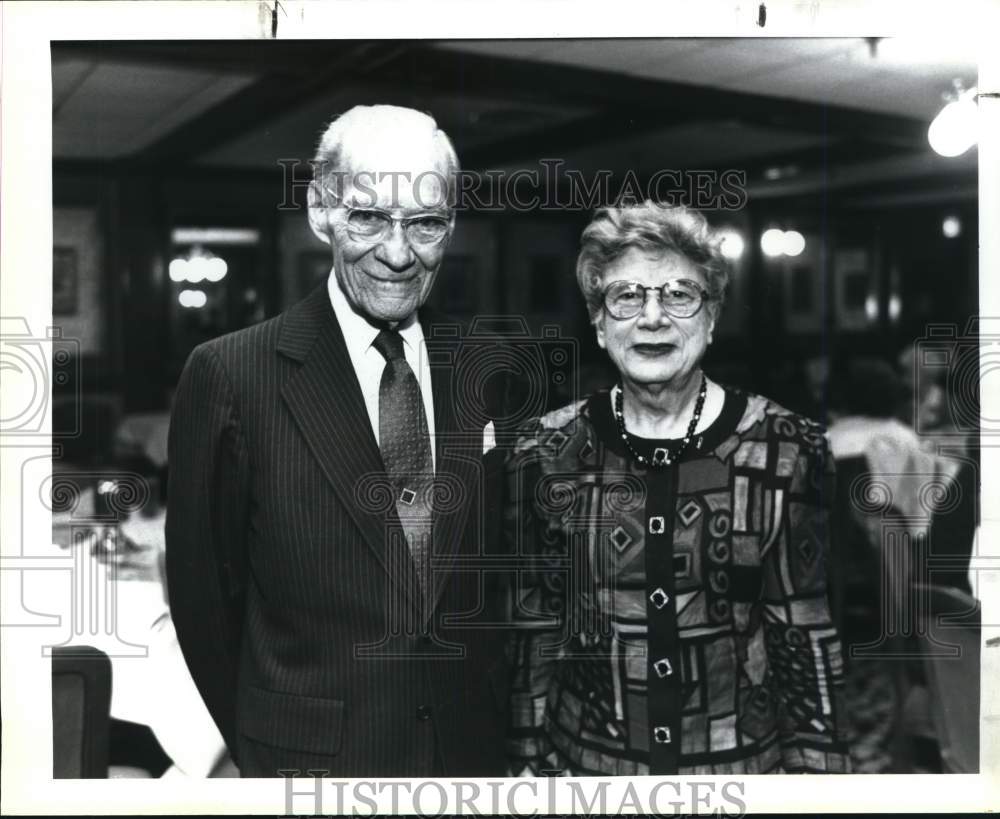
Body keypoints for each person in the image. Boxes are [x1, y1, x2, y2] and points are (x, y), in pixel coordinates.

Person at [166, 105, 509, 777]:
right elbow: (205, 605)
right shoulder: (232, 374)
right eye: (369, 216)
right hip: (310, 767)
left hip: (470, 761)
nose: (398, 252)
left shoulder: (489, 369)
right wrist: (266, 742)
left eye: (426, 223)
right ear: (321, 210)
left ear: (451, 226)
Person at [504, 201, 851, 775]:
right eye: (627, 297)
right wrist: (526, 763)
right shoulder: (544, 450)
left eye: (679, 295)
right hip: (588, 778)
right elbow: (534, 626)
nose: (653, 318)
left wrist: (818, 783)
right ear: (598, 321)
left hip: (739, 782)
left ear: (711, 317)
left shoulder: (787, 447)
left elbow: (804, 628)